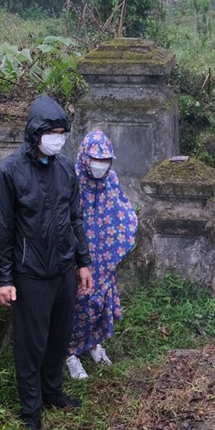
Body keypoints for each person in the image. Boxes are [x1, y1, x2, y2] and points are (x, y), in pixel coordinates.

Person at [0, 95, 94, 430]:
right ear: (35, 133)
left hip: (63, 268)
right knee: (30, 344)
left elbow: (75, 218)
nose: (58, 138)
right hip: (30, 272)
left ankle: (52, 392)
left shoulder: (65, 168)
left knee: (58, 338)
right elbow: (3, 230)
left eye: (63, 132)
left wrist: (83, 263)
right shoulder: (7, 172)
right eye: (52, 132)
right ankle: (31, 409)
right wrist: (5, 278)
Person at [64, 131, 138, 380]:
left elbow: (122, 208)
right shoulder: (73, 181)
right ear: (85, 157)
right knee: (79, 305)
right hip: (80, 260)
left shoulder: (111, 180)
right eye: (96, 158)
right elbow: (68, 221)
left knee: (101, 303)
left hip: (105, 258)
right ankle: (70, 353)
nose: (100, 164)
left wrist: (121, 240)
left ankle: (94, 345)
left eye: (105, 159)